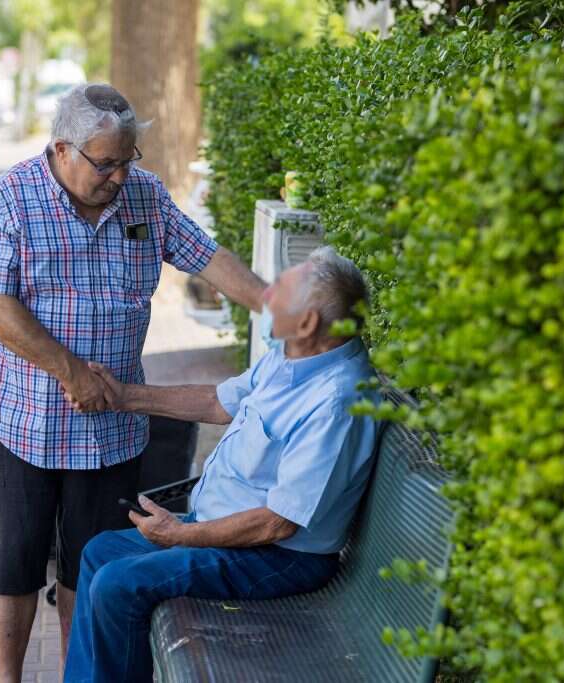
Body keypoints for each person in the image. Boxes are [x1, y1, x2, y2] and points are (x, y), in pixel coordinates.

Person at [0, 83, 265, 682]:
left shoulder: (146, 200)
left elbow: (207, 257)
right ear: (62, 151)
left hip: (112, 432)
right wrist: (71, 370)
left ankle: (79, 673)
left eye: (129, 161)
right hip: (26, 424)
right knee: (14, 564)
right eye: (107, 163)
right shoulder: (9, 202)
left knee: (90, 566)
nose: (120, 177)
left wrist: (277, 303)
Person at [63, 246, 379, 683]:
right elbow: (218, 401)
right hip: (226, 528)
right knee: (101, 553)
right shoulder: (293, 359)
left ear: (306, 323)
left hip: (276, 556)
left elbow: (278, 524)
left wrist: (182, 535)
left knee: (119, 586)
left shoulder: (336, 401)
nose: (266, 299)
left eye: (279, 292)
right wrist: (124, 397)